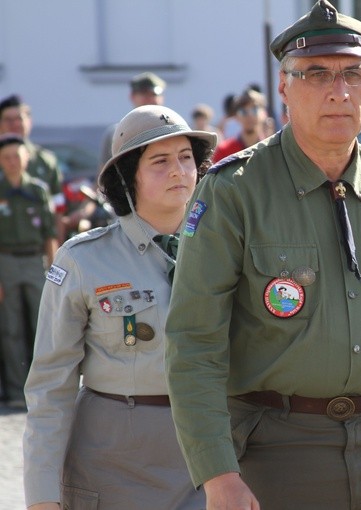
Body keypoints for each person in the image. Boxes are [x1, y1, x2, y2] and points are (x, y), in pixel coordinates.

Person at [164, 2, 361, 509]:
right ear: (284, 88)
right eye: (316, 74)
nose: (339, 92)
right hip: (280, 451)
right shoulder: (235, 190)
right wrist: (217, 474)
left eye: (353, 74)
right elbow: (194, 342)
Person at [23, 105, 216, 509]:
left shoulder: (226, 250)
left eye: (186, 157)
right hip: (114, 464)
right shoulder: (85, 260)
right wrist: (42, 496)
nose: (179, 171)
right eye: (160, 162)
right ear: (128, 177)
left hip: (211, 453)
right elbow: (50, 385)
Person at [0, 134, 58, 410]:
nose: (12, 162)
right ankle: (14, 390)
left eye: (17, 156)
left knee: (42, 325)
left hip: (35, 260)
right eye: (6, 157)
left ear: (27, 159)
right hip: (6, 261)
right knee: (10, 328)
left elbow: (50, 233)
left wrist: (55, 271)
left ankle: (43, 388)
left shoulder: (37, 190)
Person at [0, 95, 66, 241]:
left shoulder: (45, 160)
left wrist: (59, 250)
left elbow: (58, 207)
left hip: (38, 250)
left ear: (29, 121)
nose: (15, 124)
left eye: (19, 118)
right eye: (8, 120)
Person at [99, 72, 166, 168]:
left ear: (162, 98)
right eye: (144, 94)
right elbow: (103, 172)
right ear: (132, 96)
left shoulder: (173, 129)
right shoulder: (115, 133)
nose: (150, 99)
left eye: (154, 94)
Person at [212, 89, 270, 162]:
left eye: (254, 109)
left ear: (264, 113)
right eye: (243, 111)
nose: (249, 115)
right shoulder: (224, 151)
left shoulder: (272, 150)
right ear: (236, 117)